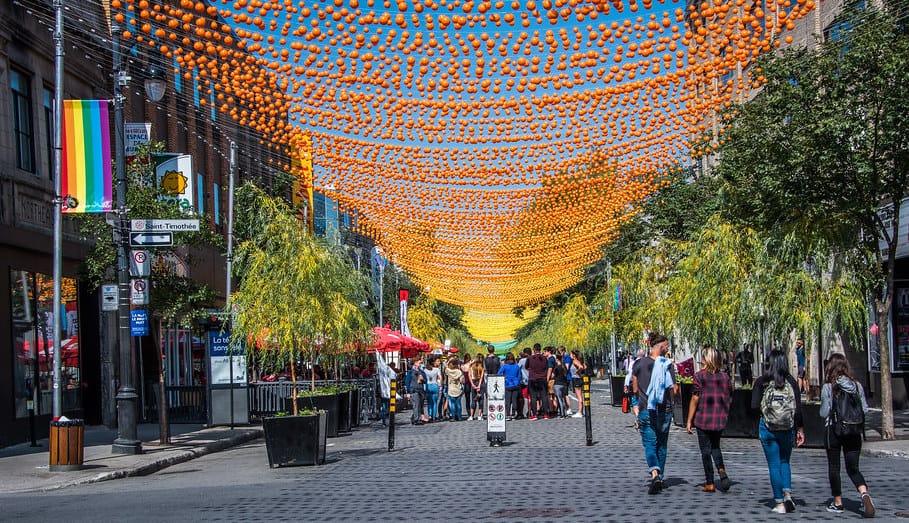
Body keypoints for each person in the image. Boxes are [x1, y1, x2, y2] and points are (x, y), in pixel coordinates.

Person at [820, 354, 874, 517]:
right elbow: (864, 410)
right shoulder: (857, 386)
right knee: (853, 468)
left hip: (834, 431)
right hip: (853, 431)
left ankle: (838, 503)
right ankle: (864, 494)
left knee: (834, 468)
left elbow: (824, 412)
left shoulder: (829, 387)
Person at [751, 350, 805, 514]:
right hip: (787, 428)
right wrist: (800, 429)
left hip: (767, 427)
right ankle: (788, 495)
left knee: (773, 465)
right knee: (785, 461)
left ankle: (780, 503)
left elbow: (753, 406)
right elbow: (798, 409)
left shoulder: (762, 382)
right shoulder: (791, 382)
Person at [632, 333, 678, 495]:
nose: (668, 348)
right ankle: (661, 476)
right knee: (662, 444)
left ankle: (655, 474)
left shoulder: (638, 364)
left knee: (650, 444)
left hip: (646, 409)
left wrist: (639, 402)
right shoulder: (667, 364)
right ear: (660, 346)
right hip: (664, 410)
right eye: (667, 345)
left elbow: (635, 389)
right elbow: (674, 389)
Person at [686, 347, 733, 493]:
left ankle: (710, 482)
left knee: (705, 450)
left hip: (703, 418)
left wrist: (689, 420)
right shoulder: (725, 377)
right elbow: (729, 395)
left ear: (706, 359)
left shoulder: (700, 376)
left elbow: (695, 398)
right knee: (715, 446)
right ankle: (721, 470)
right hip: (719, 418)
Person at [526, 343, 550, 420]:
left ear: (534, 349)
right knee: (544, 396)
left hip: (533, 378)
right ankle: (546, 414)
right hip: (542, 378)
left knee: (533, 397)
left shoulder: (530, 358)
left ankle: (535, 414)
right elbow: (546, 367)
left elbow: (527, 366)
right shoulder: (544, 358)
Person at [375, 352, 397, 427]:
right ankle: (386, 420)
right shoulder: (388, 373)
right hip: (385, 392)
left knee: (387, 406)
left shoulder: (384, 374)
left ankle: (387, 420)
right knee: (386, 407)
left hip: (387, 391)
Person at [498, 352, 522, 420]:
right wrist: (517, 381)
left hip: (507, 385)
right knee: (514, 400)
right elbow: (519, 376)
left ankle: (508, 415)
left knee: (508, 401)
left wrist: (504, 379)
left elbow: (499, 373)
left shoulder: (505, 366)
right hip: (515, 385)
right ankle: (513, 414)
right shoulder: (516, 366)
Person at [624, 348, 645, 426]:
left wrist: (626, 385)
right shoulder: (647, 362)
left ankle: (638, 418)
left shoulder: (633, 363)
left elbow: (629, 375)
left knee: (635, 402)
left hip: (635, 385)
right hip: (644, 385)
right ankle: (641, 418)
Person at [405, 357, 427, 425]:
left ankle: (415, 417)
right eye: (418, 362)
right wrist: (408, 392)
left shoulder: (422, 372)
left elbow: (425, 381)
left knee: (420, 405)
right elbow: (407, 382)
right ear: (415, 363)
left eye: (420, 363)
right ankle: (416, 419)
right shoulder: (410, 372)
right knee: (416, 405)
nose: (420, 364)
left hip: (420, 390)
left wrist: (422, 379)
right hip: (413, 390)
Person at [444, 356, 464, 421]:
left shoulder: (449, 371)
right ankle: (459, 416)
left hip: (451, 389)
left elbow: (446, 367)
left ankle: (453, 417)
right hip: (458, 389)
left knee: (452, 404)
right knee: (458, 404)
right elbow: (461, 381)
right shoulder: (459, 372)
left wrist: (449, 361)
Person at [468, 353, 487, 420]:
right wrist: (479, 385)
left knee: (473, 399)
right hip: (480, 383)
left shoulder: (471, 366)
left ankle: (471, 416)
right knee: (480, 399)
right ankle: (479, 415)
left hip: (473, 382)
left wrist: (472, 384)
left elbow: (469, 376)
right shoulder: (481, 366)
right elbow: (481, 377)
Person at [424, 356, 442, 422]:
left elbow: (424, 378)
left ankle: (430, 416)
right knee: (434, 402)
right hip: (435, 385)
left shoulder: (425, 370)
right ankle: (434, 417)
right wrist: (440, 385)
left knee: (429, 402)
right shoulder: (436, 369)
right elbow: (440, 377)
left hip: (428, 386)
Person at [570, 350, 586, 418]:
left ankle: (580, 411)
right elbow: (585, 366)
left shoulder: (575, 361)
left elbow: (582, 367)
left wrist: (578, 372)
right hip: (578, 378)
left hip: (576, 379)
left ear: (574, 355)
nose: (570, 355)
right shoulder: (580, 361)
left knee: (579, 396)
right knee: (579, 396)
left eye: (571, 354)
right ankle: (580, 411)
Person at [517, 347, 531, 419]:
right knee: (530, 397)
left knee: (522, 398)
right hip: (531, 380)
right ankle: (530, 412)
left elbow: (517, 368)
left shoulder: (522, 361)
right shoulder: (532, 359)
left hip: (523, 381)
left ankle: (521, 413)